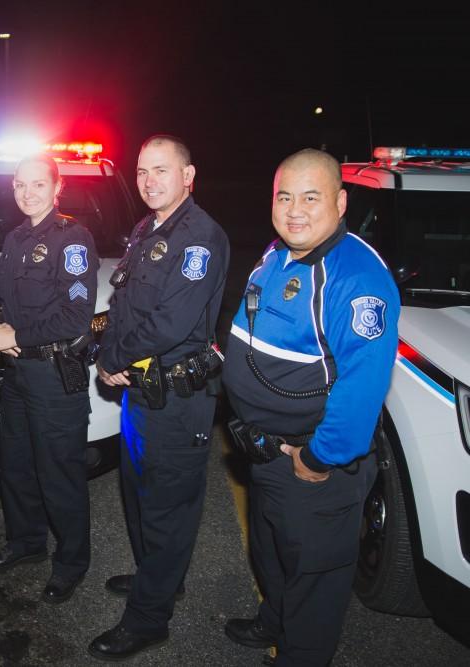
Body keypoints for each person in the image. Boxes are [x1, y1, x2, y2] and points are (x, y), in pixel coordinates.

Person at [221, 148, 399, 665]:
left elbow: (363, 388)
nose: (294, 208)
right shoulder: (279, 252)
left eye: (311, 196)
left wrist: (320, 459)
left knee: (314, 580)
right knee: (272, 554)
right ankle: (272, 621)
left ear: (341, 203)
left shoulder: (357, 278)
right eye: (284, 196)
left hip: (310, 469)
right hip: (264, 453)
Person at [87, 135, 229, 660]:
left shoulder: (200, 238)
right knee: (140, 495)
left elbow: (170, 323)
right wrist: (111, 349)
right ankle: (160, 579)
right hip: (142, 393)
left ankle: (149, 620)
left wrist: (112, 359)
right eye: (142, 170)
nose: (148, 180)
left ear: (187, 176)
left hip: (175, 398)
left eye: (161, 170)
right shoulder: (148, 229)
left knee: (168, 508)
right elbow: (125, 304)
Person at [0, 155, 99, 604]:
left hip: (53, 377)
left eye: (37, 184)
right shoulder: (14, 238)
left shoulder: (73, 239)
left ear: (56, 186)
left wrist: (18, 334)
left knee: (59, 475)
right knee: (16, 466)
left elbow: (75, 315)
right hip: (17, 375)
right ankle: (26, 542)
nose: (27, 193)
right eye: (20, 185)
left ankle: (70, 564)